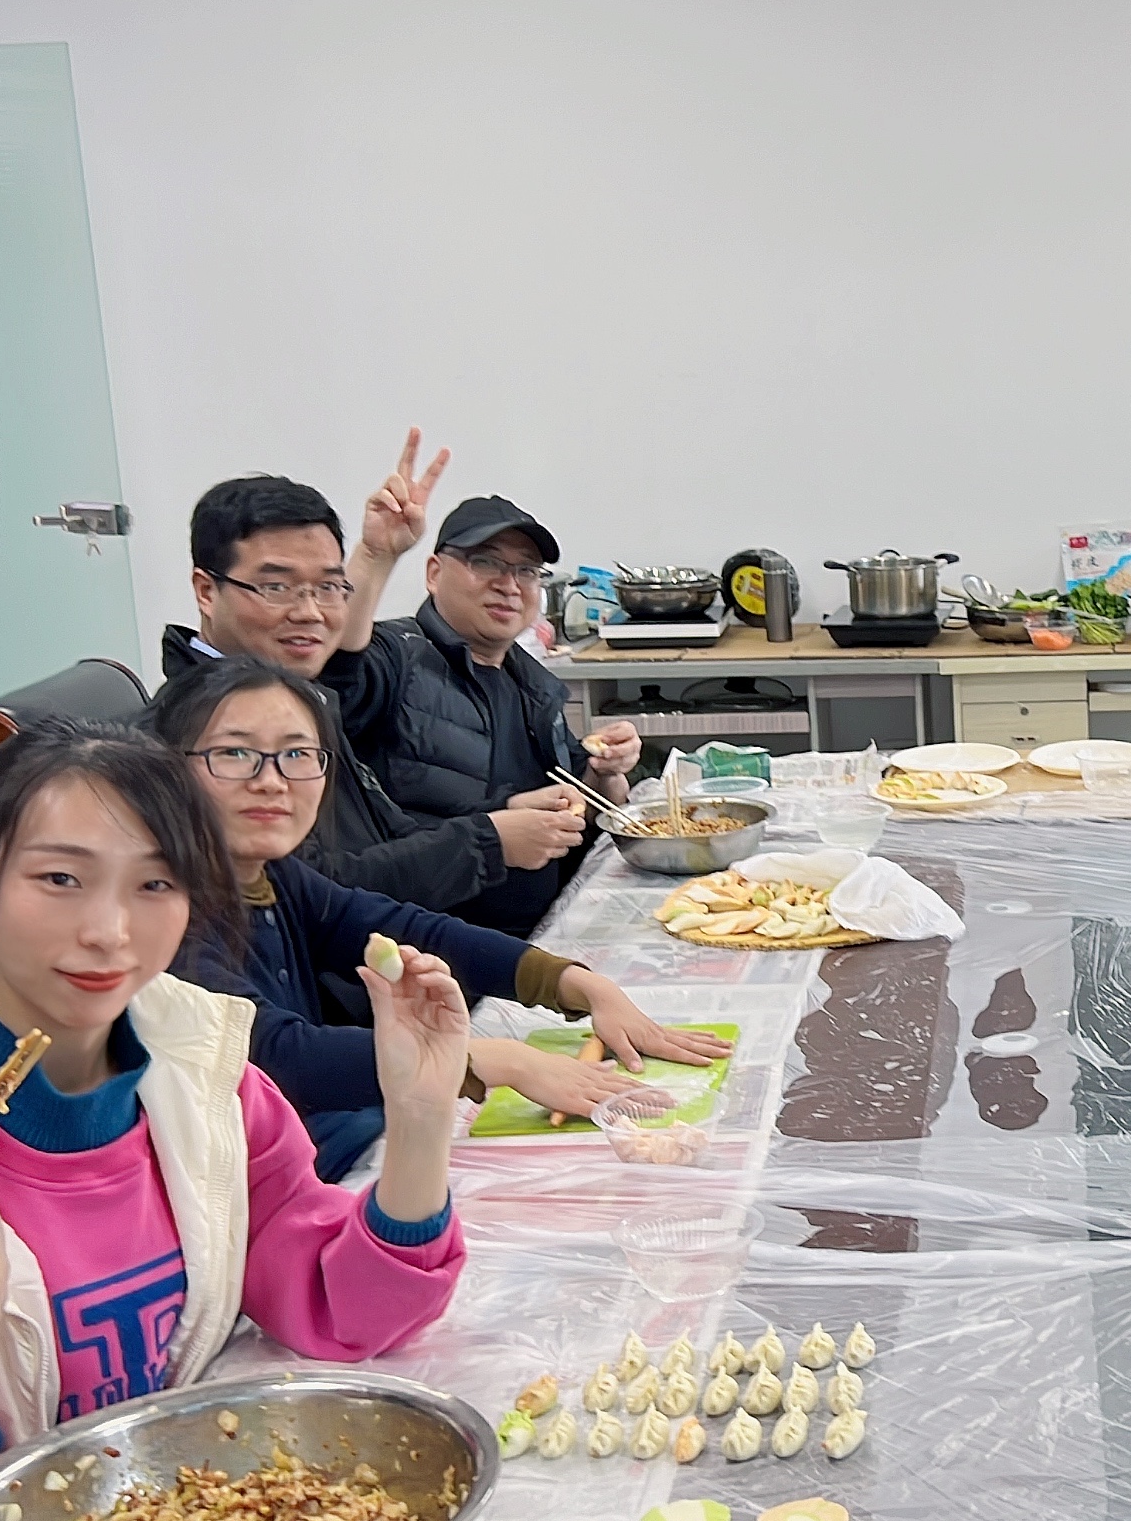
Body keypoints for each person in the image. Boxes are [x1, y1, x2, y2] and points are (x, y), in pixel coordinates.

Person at [0, 720, 473, 1517]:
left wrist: (419, 1117)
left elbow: (347, 1311)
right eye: (61, 879)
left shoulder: (205, 1083)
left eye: (156, 884)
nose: (108, 933)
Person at [150, 655, 729, 1180]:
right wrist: (488, 1062)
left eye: (297, 754)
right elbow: (279, 1057)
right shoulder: (159, 917)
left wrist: (577, 984)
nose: (272, 780)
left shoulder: (270, 874)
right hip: (252, 1186)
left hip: (314, 1143)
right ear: (168, 769)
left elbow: (406, 928)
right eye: (235, 753)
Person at [161, 439, 592, 922]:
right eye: (276, 586)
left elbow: (388, 833)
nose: (309, 612)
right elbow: (309, 899)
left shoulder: (291, 698)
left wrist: (517, 810)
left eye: (327, 587)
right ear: (206, 591)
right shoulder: (197, 736)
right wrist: (488, 842)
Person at [348, 494, 634, 936]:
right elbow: (334, 665)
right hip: (436, 941)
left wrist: (605, 774)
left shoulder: (533, 682)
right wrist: (375, 556)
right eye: (484, 562)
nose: (509, 585)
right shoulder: (393, 657)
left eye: (527, 570)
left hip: (547, 927)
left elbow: (581, 799)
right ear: (434, 573)